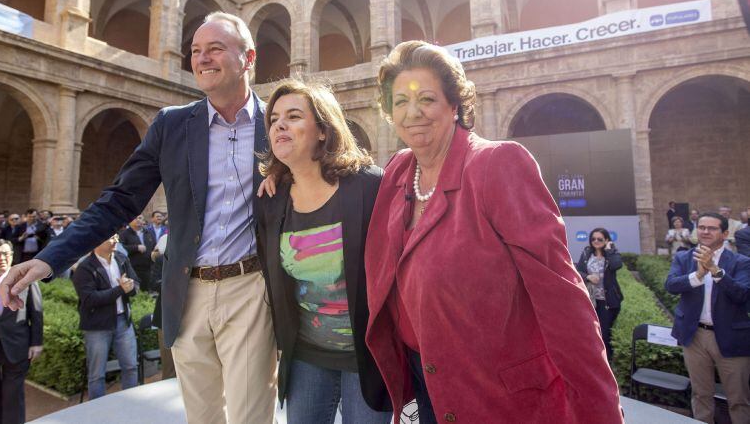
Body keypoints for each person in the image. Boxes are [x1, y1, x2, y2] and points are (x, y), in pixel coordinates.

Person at [0, 11, 277, 424]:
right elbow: (119, 201)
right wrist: (50, 258)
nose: (201, 59)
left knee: (251, 416)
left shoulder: (278, 122)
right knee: (202, 417)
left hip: (252, 287)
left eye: (215, 49)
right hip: (188, 291)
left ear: (248, 57)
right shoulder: (172, 124)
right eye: (196, 51)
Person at [364, 41, 622, 423]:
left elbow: (562, 298)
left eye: (427, 99)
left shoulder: (497, 165)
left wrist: (600, 411)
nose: (412, 112)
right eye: (399, 102)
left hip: (494, 394)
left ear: (454, 105)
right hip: (423, 380)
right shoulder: (399, 170)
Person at [256, 81, 390, 423]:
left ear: (322, 130)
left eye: (294, 116)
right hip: (306, 356)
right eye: (274, 119)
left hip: (367, 358)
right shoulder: (272, 199)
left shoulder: (369, 186)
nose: (279, 125)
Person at [665, 212, 750, 423]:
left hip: (731, 338)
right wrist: (698, 275)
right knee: (701, 395)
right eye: (701, 227)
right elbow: (671, 285)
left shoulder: (741, 262)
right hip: (695, 337)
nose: (705, 231)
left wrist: (715, 271)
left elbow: (742, 294)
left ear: (725, 233)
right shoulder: (684, 257)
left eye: (711, 228)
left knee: (738, 399)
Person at [0, 239, 43, 424]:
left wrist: (36, 342)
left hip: (17, 347)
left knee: (14, 396)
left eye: (6, 254)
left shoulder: (25, 281)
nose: (2, 258)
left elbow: (36, 313)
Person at [72, 235, 139, 399]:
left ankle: (131, 406)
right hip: (97, 327)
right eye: (110, 238)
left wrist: (130, 287)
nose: (115, 241)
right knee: (97, 375)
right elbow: (89, 299)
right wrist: (120, 290)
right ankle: (98, 413)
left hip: (123, 321)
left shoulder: (122, 259)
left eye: (116, 237)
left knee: (130, 367)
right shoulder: (85, 268)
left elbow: (136, 283)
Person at [576, 228, 624, 362]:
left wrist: (609, 250)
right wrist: (588, 276)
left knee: (604, 333)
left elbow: (616, 265)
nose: (596, 241)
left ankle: (607, 362)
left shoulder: (612, 253)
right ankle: (593, 360)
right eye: (593, 239)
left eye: (600, 239)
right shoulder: (587, 253)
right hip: (591, 300)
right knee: (590, 332)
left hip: (607, 302)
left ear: (607, 240)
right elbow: (578, 271)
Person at [150, 234, 176, 379]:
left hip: (193, 317)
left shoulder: (195, 259)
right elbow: (154, 283)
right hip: (166, 318)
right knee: (169, 368)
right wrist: (174, 285)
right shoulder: (161, 259)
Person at [118, 215, 156, 291]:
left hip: (148, 268)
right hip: (132, 268)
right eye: (135, 218)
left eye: (140, 218)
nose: (138, 220)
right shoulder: (123, 234)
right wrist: (136, 248)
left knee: (147, 292)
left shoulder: (148, 232)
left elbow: (154, 246)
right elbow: (119, 249)